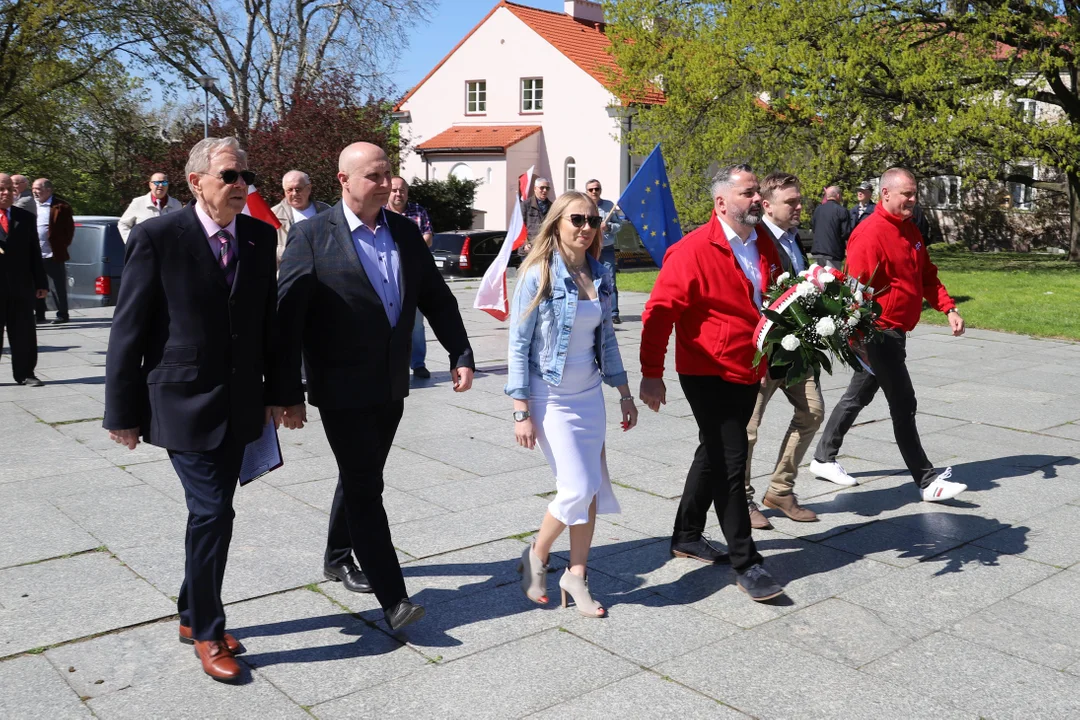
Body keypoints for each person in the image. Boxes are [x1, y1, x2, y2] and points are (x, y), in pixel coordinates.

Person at [103, 137, 288, 682]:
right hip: (179, 400)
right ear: (195, 182)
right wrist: (122, 411)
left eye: (246, 177)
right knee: (212, 513)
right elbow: (128, 328)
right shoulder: (158, 236)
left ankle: (190, 610)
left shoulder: (258, 235)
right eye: (230, 175)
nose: (241, 186)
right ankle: (207, 630)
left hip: (240, 402)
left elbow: (267, 326)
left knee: (213, 512)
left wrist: (281, 394)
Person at [277, 142, 475, 631]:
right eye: (375, 176)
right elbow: (286, 320)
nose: (387, 184)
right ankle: (394, 599)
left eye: (389, 174)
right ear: (343, 180)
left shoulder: (404, 232)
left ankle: (336, 554)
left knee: (360, 471)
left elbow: (435, 296)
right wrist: (286, 391)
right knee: (367, 486)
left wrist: (460, 352)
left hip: (391, 384)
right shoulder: (310, 236)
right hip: (340, 386)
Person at [639, 164, 786, 603]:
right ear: (721, 202)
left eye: (758, 192)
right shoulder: (691, 251)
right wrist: (651, 373)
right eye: (748, 192)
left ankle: (686, 534)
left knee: (715, 449)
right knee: (730, 457)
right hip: (707, 369)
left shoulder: (764, 245)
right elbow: (658, 314)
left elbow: (777, 298)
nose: (758, 199)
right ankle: (747, 562)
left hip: (749, 365)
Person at [506, 190, 637, 619]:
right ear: (557, 222)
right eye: (577, 219)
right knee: (576, 488)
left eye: (593, 221)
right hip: (550, 398)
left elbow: (609, 340)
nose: (585, 227)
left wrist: (623, 392)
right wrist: (521, 409)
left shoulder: (599, 273)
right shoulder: (537, 275)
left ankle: (576, 575)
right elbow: (518, 345)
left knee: (591, 492)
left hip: (590, 396)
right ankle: (536, 555)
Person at [809, 167, 968, 503]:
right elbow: (853, 291)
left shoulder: (910, 230)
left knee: (858, 395)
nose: (912, 200)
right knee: (903, 402)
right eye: (906, 194)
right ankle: (926, 481)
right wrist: (857, 338)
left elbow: (927, 275)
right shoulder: (870, 234)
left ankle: (823, 458)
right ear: (885, 194)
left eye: (914, 193)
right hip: (878, 333)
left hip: (897, 329)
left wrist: (948, 308)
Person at [744, 172, 823, 529]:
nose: (798, 207)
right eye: (791, 202)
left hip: (795, 351)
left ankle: (780, 489)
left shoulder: (793, 239)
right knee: (749, 429)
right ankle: (742, 498)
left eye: (799, 200)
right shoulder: (755, 240)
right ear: (766, 205)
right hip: (763, 350)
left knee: (813, 412)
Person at [0, 174, 49, 387]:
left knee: (23, 332)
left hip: (20, 285)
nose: (7, 193)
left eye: (10, 189)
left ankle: (26, 372)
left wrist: (41, 283)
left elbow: (34, 252)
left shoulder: (25, 217)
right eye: (2, 189)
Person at [385, 176, 434, 379]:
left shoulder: (418, 211)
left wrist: (405, 250)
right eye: (395, 190)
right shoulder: (380, 213)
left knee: (416, 324)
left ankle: (418, 363)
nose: (399, 194)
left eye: (402, 190)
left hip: (413, 276)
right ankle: (390, 364)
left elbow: (428, 237)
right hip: (388, 276)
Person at [31, 178, 74, 324]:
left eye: (38, 189)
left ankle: (62, 314)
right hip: (35, 254)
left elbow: (69, 231)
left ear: (48, 190)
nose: (35, 192)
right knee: (36, 285)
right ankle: (39, 314)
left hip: (53, 254)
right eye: (33, 189)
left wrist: (61, 246)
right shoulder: (30, 205)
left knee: (57, 286)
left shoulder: (61, 206)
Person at [584, 179, 625, 325]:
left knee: (610, 280)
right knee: (588, 280)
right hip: (588, 248)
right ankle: (592, 309)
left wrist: (607, 227)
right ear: (586, 191)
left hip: (606, 248)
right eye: (591, 190)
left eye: (597, 189)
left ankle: (613, 312)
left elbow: (619, 225)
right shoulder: (583, 206)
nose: (594, 192)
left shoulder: (609, 206)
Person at [270, 170, 331, 268]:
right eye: (289, 190)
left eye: (298, 189)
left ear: (309, 189)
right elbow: (267, 250)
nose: (294, 194)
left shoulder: (326, 211)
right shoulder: (273, 215)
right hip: (290, 274)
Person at [118, 173, 184, 242]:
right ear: (150, 185)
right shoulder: (138, 203)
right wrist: (132, 242)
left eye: (164, 182)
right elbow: (123, 224)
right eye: (157, 183)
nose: (161, 185)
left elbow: (181, 228)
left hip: (168, 250)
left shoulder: (176, 204)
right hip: (144, 250)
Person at [810, 185, 850, 269]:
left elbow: (813, 227)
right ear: (838, 196)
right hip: (833, 252)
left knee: (820, 279)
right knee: (833, 279)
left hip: (818, 250)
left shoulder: (818, 210)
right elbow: (846, 233)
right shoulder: (842, 211)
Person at [522, 177, 553, 247]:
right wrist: (525, 244)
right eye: (542, 188)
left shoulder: (552, 206)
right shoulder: (525, 205)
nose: (545, 190)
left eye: (547, 188)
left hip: (545, 248)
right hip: (529, 249)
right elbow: (519, 228)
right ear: (535, 188)